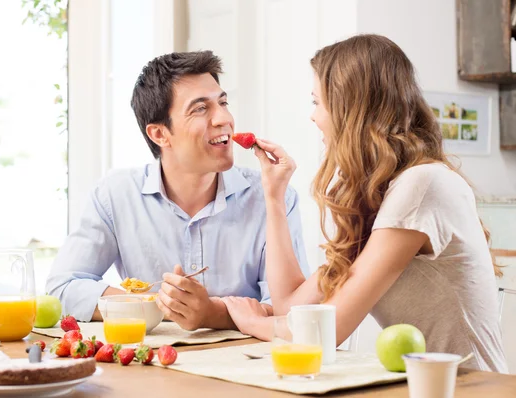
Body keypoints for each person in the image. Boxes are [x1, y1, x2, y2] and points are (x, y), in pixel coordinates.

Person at [222, 34, 508, 373]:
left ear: (349, 106)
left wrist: (251, 322)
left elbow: (328, 331)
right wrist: (274, 194)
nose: (313, 117)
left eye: (317, 102)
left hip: (472, 389)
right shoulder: (384, 195)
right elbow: (290, 305)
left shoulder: (422, 185)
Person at [46, 51, 309, 331]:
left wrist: (212, 313)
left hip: (248, 364)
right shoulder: (115, 195)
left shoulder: (274, 196)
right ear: (160, 134)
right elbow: (63, 288)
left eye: (223, 102)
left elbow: (291, 311)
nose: (224, 118)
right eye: (200, 108)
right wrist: (161, 305)